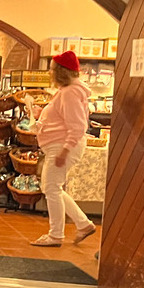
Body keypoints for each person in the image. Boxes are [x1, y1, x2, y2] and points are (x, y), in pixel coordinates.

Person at [21, 51, 99, 247]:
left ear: (61, 72)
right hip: (59, 145)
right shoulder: (70, 91)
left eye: (52, 69)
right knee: (52, 187)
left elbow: (77, 126)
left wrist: (64, 151)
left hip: (61, 146)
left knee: (52, 189)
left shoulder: (70, 92)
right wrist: (39, 113)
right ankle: (83, 224)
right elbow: (64, 119)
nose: (50, 73)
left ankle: (56, 235)